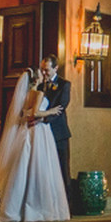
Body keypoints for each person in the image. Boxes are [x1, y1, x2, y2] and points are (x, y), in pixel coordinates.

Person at [0, 68, 71, 222]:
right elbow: (35, 113)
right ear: (36, 79)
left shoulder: (25, 95)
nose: (43, 75)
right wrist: (50, 111)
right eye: (41, 74)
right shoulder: (38, 94)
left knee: (22, 166)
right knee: (39, 167)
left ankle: (14, 205)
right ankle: (37, 206)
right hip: (38, 132)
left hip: (26, 130)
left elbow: (23, 113)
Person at [36, 55, 73, 197]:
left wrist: (44, 119)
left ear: (55, 68)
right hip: (42, 133)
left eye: (46, 70)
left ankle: (67, 203)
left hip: (59, 133)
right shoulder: (40, 86)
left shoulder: (64, 85)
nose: (44, 73)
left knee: (63, 169)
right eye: (42, 70)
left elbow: (61, 107)